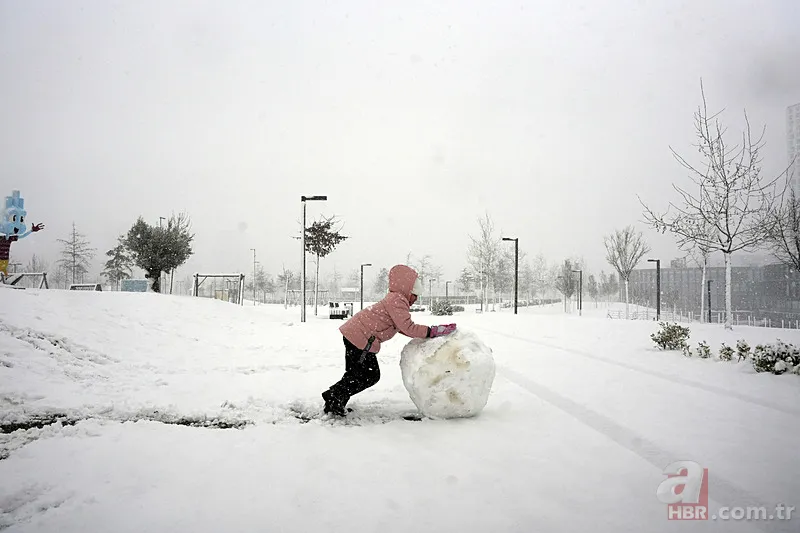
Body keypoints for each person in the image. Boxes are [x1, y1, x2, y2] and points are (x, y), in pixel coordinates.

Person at [322, 264, 456, 416]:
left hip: (356, 334)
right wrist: (432, 331)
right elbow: (407, 327)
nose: (416, 299)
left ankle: (336, 401)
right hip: (360, 338)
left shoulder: (395, 299)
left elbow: (401, 327)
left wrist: (427, 332)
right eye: (415, 294)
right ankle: (333, 396)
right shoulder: (397, 300)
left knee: (355, 373)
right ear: (407, 289)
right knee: (369, 375)